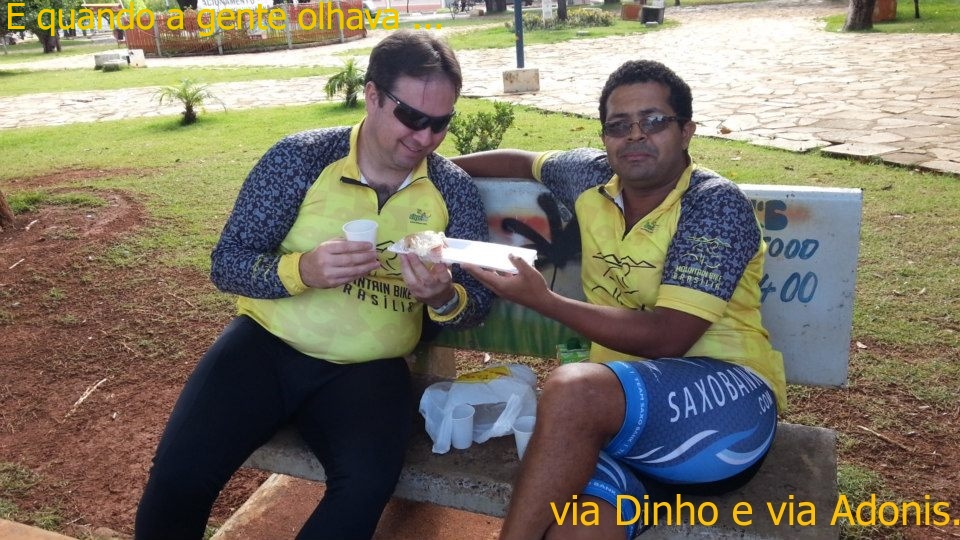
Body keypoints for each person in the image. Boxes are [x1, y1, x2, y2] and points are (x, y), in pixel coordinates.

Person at [135, 30, 493, 540]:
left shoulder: (451, 190)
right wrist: (302, 271)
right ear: (372, 96)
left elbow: (477, 303)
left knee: (364, 488)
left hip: (369, 369)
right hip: (267, 346)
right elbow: (227, 263)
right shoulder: (300, 159)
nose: (425, 138)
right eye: (412, 117)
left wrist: (442, 297)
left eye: (441, 123)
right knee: (178, 479)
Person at [452, 59, 786, 539]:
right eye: (619, 125)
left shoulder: (713, 204)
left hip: (725, 410)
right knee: (573, 532)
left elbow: (669, 337)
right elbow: (521, 162)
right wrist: (432, 170)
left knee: (573, 390)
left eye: (654, 121)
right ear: (605, 136)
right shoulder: (589, 177)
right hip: (624, 428)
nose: (635, 136)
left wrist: (544, 300)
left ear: (686, 131)